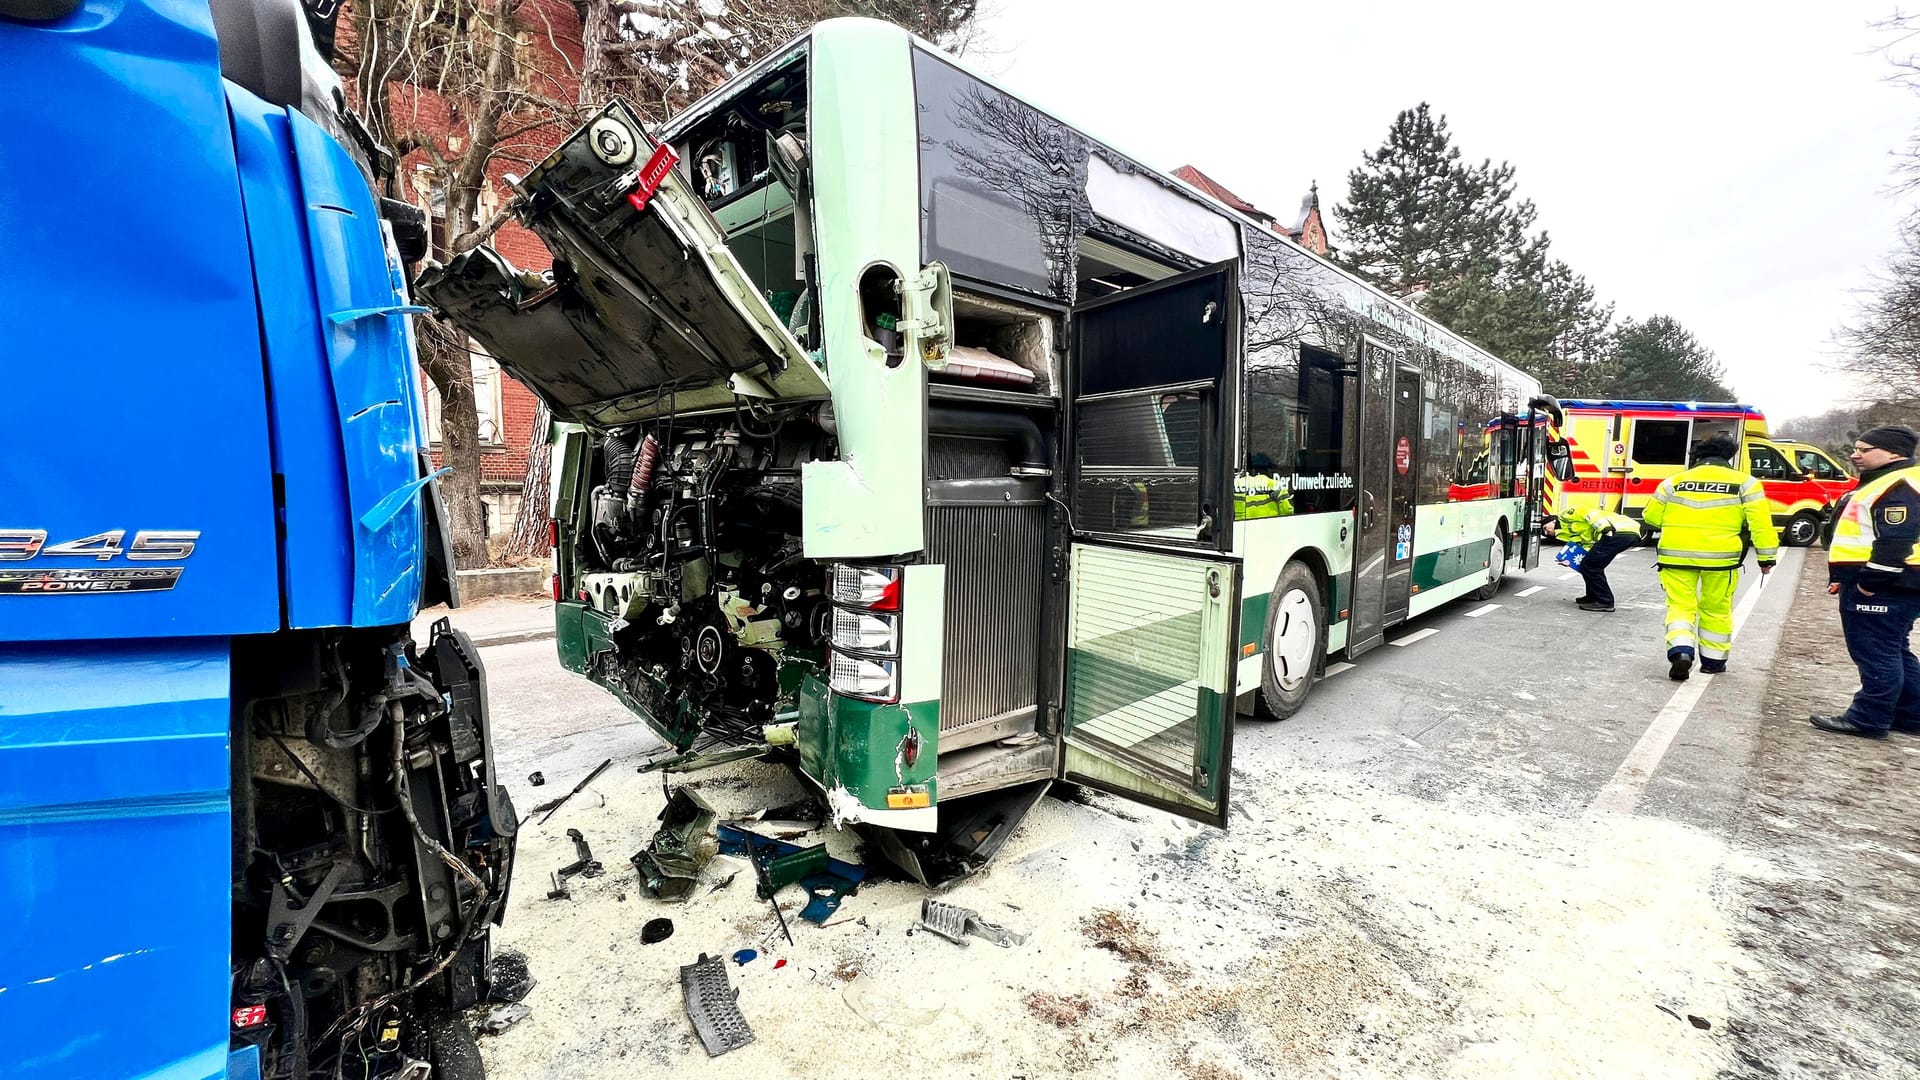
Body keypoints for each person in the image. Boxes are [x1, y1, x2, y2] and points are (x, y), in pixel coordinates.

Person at [1808, 425, 1920, 739]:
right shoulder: (1897, 480)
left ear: (1893, 452)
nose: (1855, 454)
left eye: (1864, 449)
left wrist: (1871, 581)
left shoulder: (1898, 485)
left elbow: (1896, 539)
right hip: (1901, 583)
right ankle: (1911, 715)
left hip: (1885, 584)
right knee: (1895, 649)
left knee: (1876, 652)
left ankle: (1868, 718)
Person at [1640, 435, 1778, 681]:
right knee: (1717, 609)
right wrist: (1766, 558)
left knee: (1680, 607)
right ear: (1729, 457)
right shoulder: (1746, 483)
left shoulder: (1674, 482)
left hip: (1676, 557)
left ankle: (1681, 652)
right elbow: (1761, 525)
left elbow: (1651, 518)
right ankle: (1713, 663)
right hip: (1721, 561)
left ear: (1699, 456)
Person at [1547, 505, 1642, 611]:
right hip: (1619, 534)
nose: (1547, 532)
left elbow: (1588, 513)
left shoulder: (1565, 515)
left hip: (1619, 530)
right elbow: (1587, 546)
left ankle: (1604, 601)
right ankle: (1593, 597)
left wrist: (1605, 528)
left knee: (1591, 566)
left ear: (1552, 521)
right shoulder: (1565, 533)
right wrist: (1570, 560)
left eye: (1545, 528)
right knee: (1589, 564)